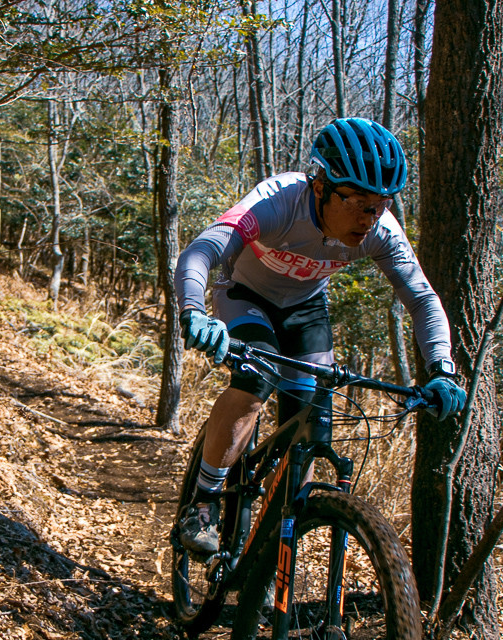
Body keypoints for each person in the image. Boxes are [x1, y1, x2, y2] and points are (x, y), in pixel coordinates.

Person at [175, 117, 466, 559]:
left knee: (314, 426)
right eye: (358, 202)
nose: (370, 218)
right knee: (256, 381)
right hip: (245, 296)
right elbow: (202, 251)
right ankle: (205, 502)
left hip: (305, 309)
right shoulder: (278, 202)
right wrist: (193, 311)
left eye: (381, 205)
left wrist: (441, 368)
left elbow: (422, 297)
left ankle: (280, 532)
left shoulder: (381, 232)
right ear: (321, 186)